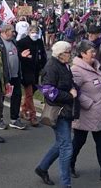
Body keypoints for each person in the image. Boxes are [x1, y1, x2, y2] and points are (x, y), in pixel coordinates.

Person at [69, 40, 101, 184]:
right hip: (87, 113)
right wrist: (89, 103)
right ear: (82, 54)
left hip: (99, 113)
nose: (94, 53)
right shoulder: (76, 70)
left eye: (94, 51)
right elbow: (74, 90)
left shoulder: (95, 67)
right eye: (91, 51)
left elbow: (96, 85)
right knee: (78, 142)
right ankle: (69, 164)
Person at [35, 41, 76, 187]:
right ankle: (66, 184)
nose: (70, 55)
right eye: (68, 52)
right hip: (58, 112)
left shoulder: (63, 64)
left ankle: (42, 168)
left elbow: (69, 84)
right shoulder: (51, 67)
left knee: (61, 143)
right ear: (60, 54)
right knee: (66, 147)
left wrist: (75, 91)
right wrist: (70, 96)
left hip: (65, 110)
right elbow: (49, 92)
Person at [0, 24, 26, 130]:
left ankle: (14, 119)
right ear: (5, 31)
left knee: (17, 96)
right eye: (12, 31)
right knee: (1, 98)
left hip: (15, 75)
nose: (14, 33)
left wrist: (21, 55)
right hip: (4, 76)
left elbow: (15, 54)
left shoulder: (13, 41)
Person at [17, 25, 47, 127]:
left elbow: (43, 55)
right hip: (26, 71)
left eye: (36, 32)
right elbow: (18, 56)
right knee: (29, 93)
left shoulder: (39, 42)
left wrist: (44, 66)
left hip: (36, 71)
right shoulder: (22, 42)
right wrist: (23, 57)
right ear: (29, 32)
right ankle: (33, 116)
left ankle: (23, 109)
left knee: (32, 91)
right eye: (33, 32)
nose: (34, 34)